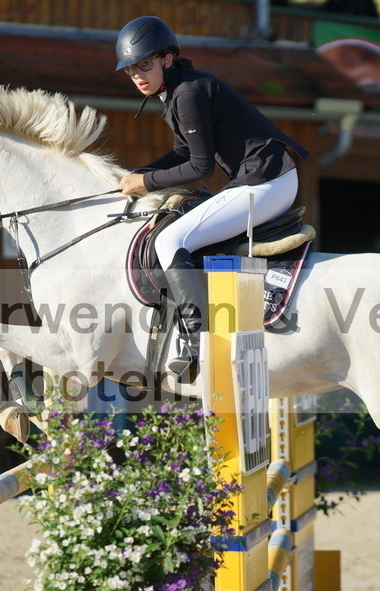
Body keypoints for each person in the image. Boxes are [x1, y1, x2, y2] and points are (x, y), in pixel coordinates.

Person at [115, 16, 308, 383]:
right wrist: (136, 175)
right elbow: (179, 152)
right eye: (130, 70)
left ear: (167, 59)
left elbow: (200, 167)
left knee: (171, 239)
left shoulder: (186, 92)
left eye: (144, 64)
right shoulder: (177, 91)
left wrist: (146, 182)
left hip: (266, 182)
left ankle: (195, 345)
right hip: (263, 181)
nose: (138, 75)